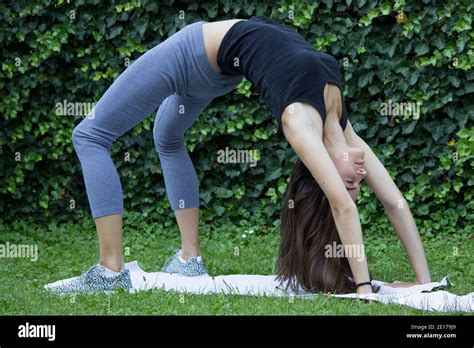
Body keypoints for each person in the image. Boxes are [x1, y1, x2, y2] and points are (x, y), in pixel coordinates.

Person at [45, 16, 431, 294]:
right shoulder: (344, 130)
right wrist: (422, 281)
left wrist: (363, 290)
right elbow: (394, 201)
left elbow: (341, 208)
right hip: (217, 69)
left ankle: (109, 270)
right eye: (357, 181)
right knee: (167, 138)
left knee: (90, 134)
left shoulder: (300, 121)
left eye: (350, 181)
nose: (360, 173)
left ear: (326, 168)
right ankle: (189, 260)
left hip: (195, 53)